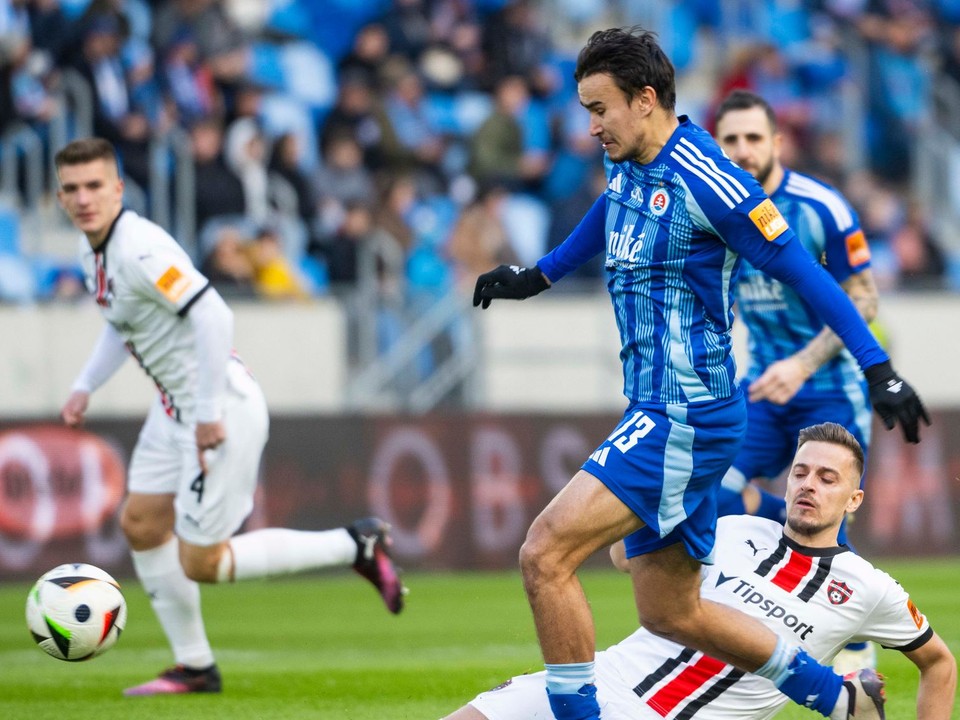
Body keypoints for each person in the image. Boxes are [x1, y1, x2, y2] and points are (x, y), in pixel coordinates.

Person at [472, 28, 928, 720]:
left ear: (646, 99)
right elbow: (606, 215)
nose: (591, 126)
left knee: (544, 554)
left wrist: (878, 367)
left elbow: (805, 271)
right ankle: (837, 699)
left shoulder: (711, 180)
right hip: (652, 409)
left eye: (600, 109)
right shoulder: (629, 161)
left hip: (687, 415)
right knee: (672, 612)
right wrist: (536, 275)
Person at [55, 137, 407, 697]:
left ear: (118, 189)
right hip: (175, 411)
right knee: (142, 523)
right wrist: (83, 386)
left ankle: (353, 545)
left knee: (203, 562)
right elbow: (125, 323)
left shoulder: (140, 249)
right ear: (60, 197)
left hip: (218, 409)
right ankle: (194, 666)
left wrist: (206, 414)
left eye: (95, 185)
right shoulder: (89, 250)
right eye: (72, 189)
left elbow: (213, 314)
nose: (84, 198)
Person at [443, 423, 957, 720]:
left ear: (854, 499)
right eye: (800, 472)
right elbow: (626, 560)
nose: (809, 485)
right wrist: (658, 496)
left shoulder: (869, 588)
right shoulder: (734, 529)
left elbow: (939, 664)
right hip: (599, 682)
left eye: (828, 478)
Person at [711, 90, 881, 672]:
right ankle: (730, 616)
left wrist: (801, 364)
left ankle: (856, 654)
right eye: (730, 139)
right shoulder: (714, 211)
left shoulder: (819, 207)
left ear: (776, 142)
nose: (742, 150)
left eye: (753, 137)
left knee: (829, 521)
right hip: (762, 384)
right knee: (713, 486)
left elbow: (864, 296)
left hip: (829, 383)